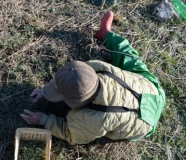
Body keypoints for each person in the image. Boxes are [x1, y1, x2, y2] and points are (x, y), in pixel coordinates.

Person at [20, 11, 166, 145]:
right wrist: (45, 91)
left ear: (73, 102)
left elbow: (72, 135)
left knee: (103, 132)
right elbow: (70, 77)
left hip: (146, 124)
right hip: (152, 91)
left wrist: (44, 120)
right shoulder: (97, 68)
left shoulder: (90, 119)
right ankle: (107, 34)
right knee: (129, 57)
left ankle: (106, 33)